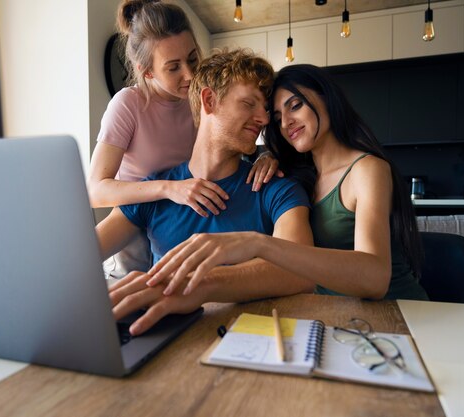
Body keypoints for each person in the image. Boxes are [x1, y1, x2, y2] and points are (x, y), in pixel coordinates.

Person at [146, 64, 429, 301]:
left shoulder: (367, 169)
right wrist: (270, 156)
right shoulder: (297, 175)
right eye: (278, 117)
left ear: (327, 98)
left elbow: (375, 278)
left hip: (399, 315)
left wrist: (260, 245)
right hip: (339, 318)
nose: (285, 123)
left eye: (295, 106)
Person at [97, 49, 314, 336]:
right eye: (249, 103)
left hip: (247, 346)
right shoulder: (156, 190)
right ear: (209, 101)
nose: (263, 118)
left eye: (265, 109)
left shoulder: (275, 188)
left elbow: (302, 270)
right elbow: (81, 254)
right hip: (162, 342)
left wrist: (196, 284)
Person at [88, 0, 279, 279]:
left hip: (183, 221)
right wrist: (169, 189)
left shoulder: (200, 98)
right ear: (147, 71)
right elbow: (96, 191)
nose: (190, 75)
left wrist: (266, 157)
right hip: (134, 235)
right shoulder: (128, 104)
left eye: (192, 58)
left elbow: (225, 145)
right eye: (173, 67)